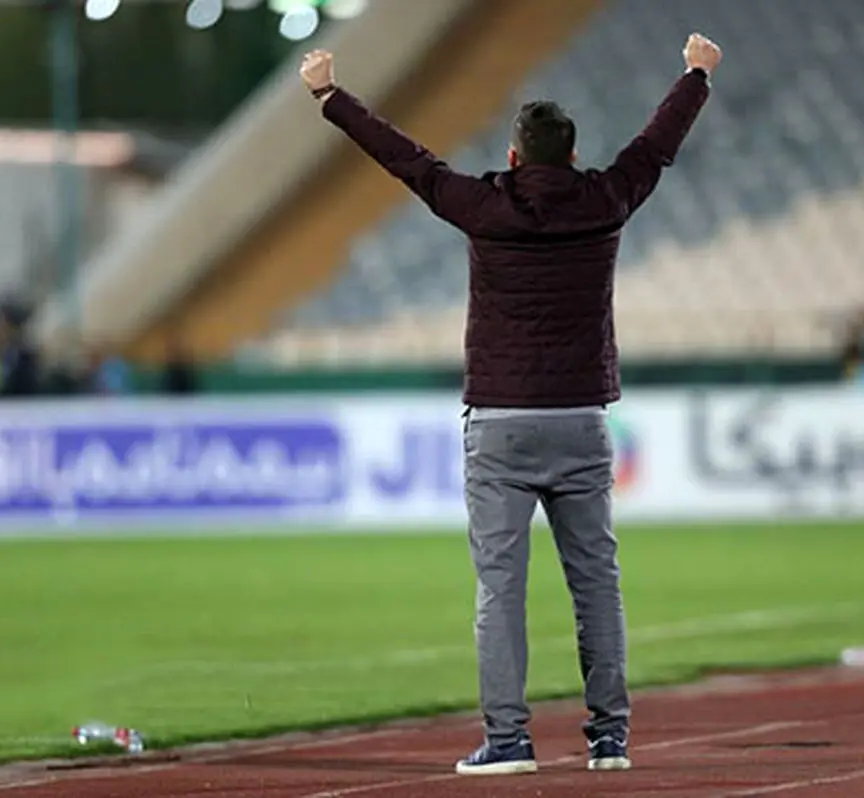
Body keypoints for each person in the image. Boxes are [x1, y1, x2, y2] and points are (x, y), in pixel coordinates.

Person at [301, 33, 719, 776]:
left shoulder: (483, 206)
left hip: (499, 421)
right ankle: (610, 737)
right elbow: (655, 148)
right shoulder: (605, 199)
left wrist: (330, 96)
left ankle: (508, 740)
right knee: (596, 582)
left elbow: (406, 160)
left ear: (516, 156)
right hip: (581, 417)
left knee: (500, 588)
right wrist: (695, 76)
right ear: (573, 154)